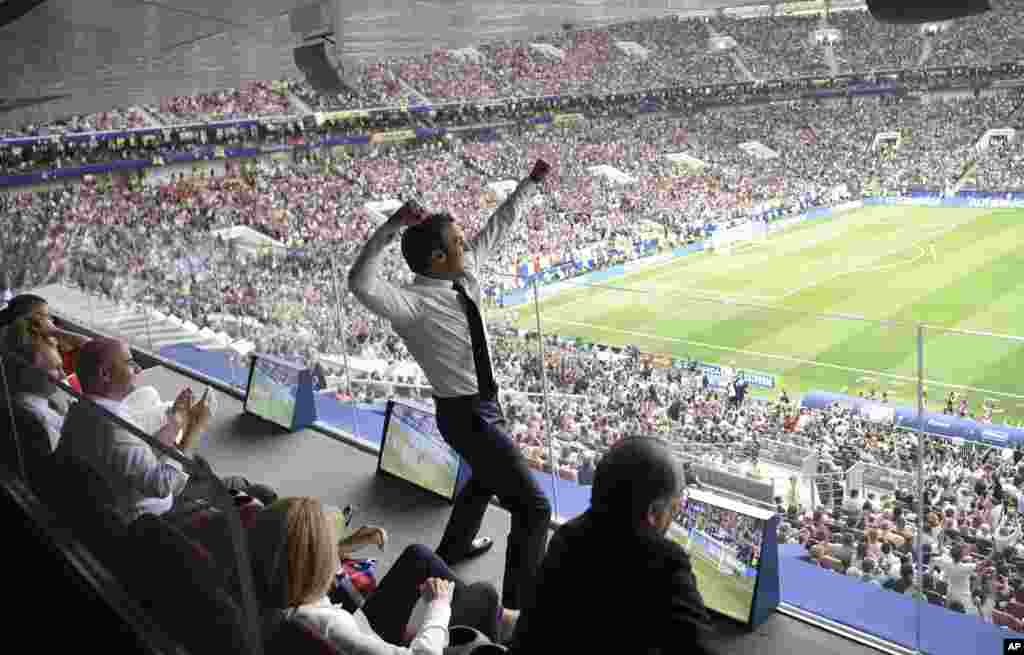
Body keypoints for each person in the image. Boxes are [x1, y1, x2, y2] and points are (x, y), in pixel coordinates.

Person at [348, 159, 553, 610]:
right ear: (438, 259)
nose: (469, 244)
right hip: (464, 415)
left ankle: (455, 547)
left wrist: (531, 184)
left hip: (485, 405)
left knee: (484, 478)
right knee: (535, 509)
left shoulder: (464, 273)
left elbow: (500, 225)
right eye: (460, 242)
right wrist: (392, 227)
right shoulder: (412, 304)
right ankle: (518, 613)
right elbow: (360, 282)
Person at [508, 436, 710, 654]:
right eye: (674, 508)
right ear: (652, 512)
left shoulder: (567, 537)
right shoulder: (667, 562)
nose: (673, 515)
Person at [248, 497, 519, 654]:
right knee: (484, 594)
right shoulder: (328, 629)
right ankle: (505, 631)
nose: (337, 552)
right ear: (313, 568)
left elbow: (293, 555)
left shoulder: (275, 588)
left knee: (417, 556)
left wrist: (347, 544)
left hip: (363, 623)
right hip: (379, 640)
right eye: (331, 547)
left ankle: (504, 618)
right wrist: (439, 606)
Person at [54, 337, 213, 522]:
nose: (138, 369)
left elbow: (134, 453)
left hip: (108, 507)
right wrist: (194, 429)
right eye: (130, 363)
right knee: (230, 485)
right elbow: (160, 485)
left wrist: (174, 422)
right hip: (150, 519)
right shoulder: (113, 425)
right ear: (105, 374)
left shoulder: (81, 410)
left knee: (201, 470)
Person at [1, 314, 70, 449]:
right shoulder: (39, 420)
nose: (63, 375)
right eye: (56, 368)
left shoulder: (31, 395)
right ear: (27, 371)